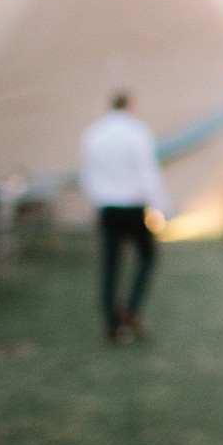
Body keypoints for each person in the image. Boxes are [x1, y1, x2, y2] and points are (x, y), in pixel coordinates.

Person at [79, 92, 169, 343]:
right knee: (147, 257)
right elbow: (147, 171)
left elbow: (88, 173)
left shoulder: (93, 133)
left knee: (110, 265)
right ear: (129, 106)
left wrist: (98, 200)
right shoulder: (138, 132)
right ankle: (131, 308)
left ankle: (112, 323)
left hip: (107, 206)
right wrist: (160, 206)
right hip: (132, 205)